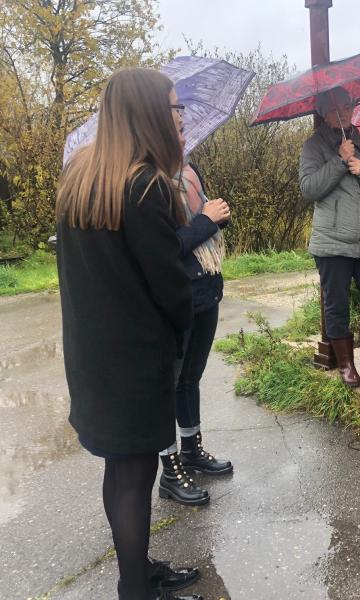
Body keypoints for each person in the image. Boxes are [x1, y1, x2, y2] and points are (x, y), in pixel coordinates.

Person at [56, 68, 202, 599]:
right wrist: (184, 325)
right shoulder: (145, 185)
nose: (177, 116)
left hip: (93, 355)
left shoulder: (82, 174)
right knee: (136, 480)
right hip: (136, 361)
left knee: (120, 473)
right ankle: (136, 591)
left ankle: (135, 574)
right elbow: (170, 287)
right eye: (171, 106)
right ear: (146, 113)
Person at [299, 86, 360, 387]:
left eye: (347, 105)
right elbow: (309, 189)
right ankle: (345, 364)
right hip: (332, 243)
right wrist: (340, 162)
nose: (343, 112)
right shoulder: (313, 147)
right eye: (335, 107)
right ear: (323, 112)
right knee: (337, 304)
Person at [157, 159, 234, 506]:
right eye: (175, 120)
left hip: (207, 286)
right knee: (169, 384)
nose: (182, 130)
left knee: (190, 378)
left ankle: (191, 451)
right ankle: (170, 470)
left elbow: (204, 227)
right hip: (178, 293)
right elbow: (165, 249)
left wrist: (218, 216)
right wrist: (205, 221)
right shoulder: (150, 183)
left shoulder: (189, 170)